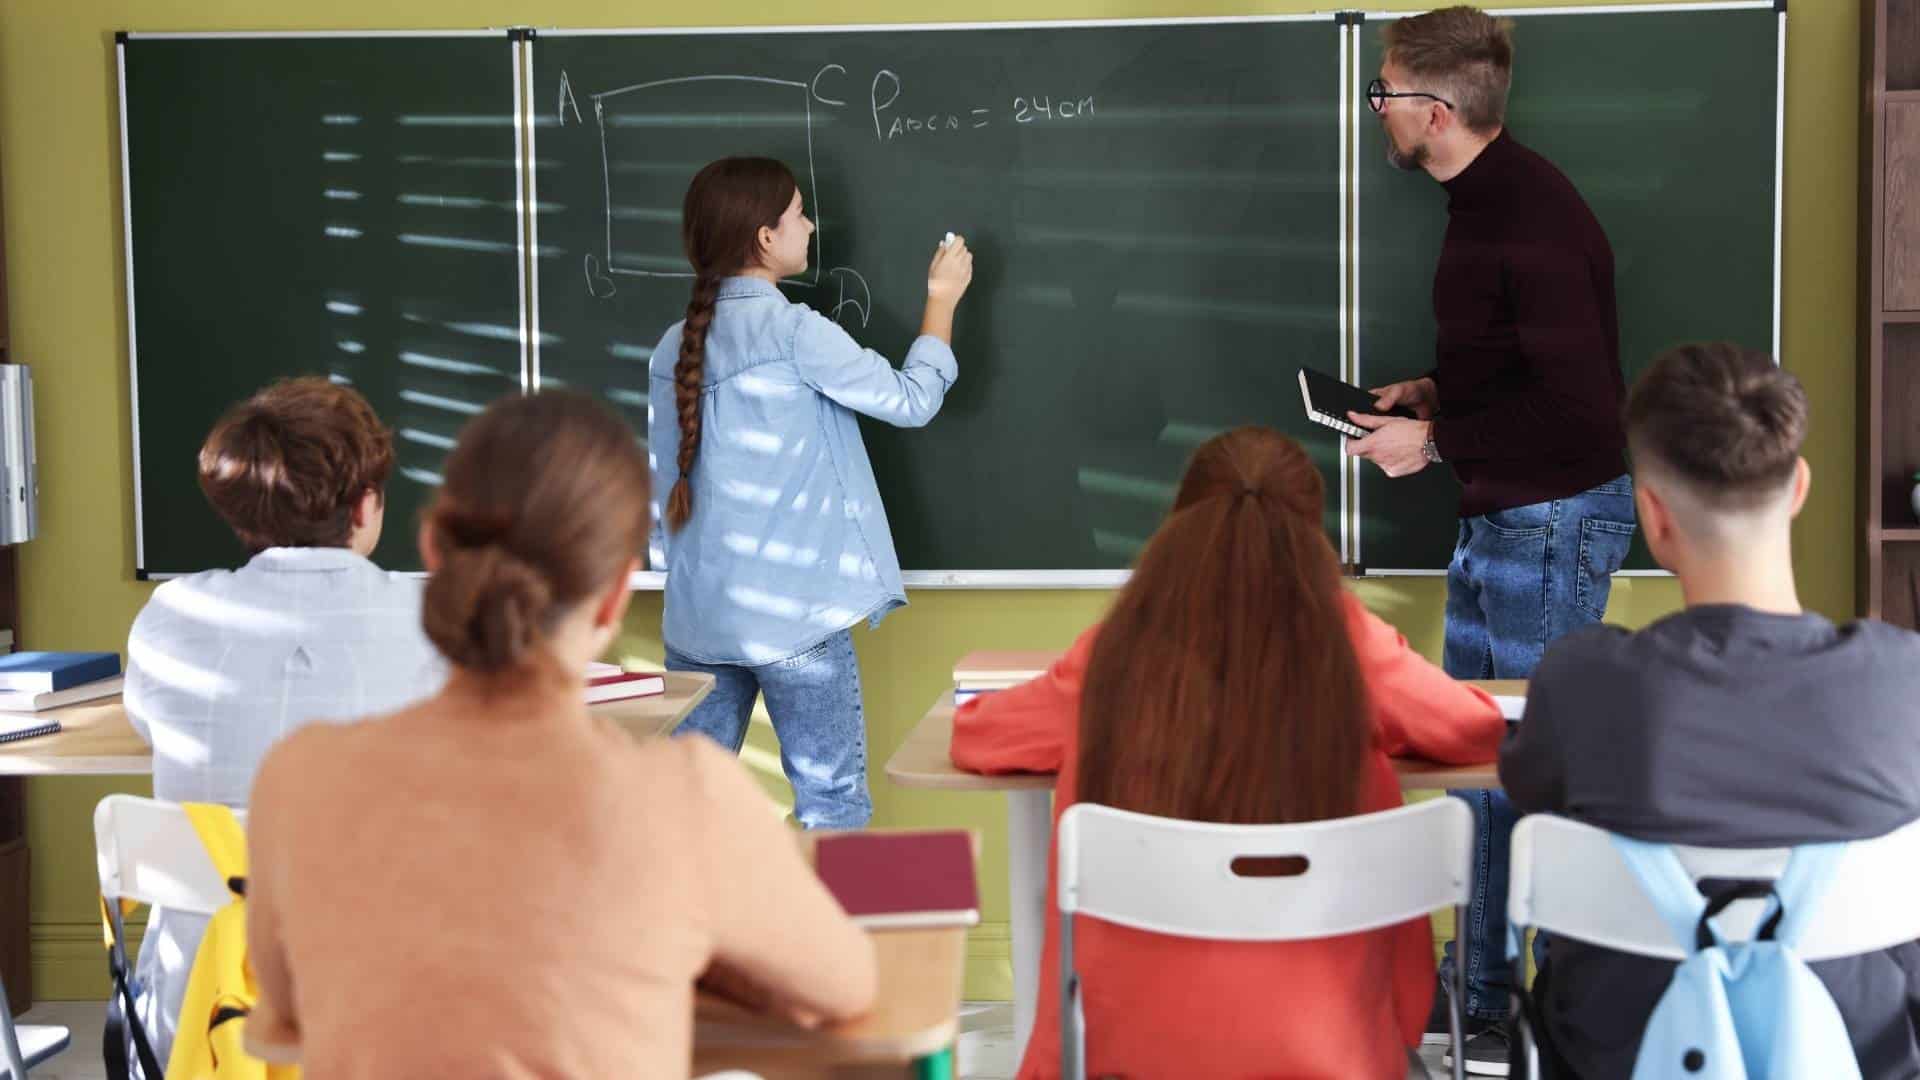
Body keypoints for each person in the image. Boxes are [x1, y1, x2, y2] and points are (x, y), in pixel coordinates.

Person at [245, 390, 876, 1077]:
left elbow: (283, 995)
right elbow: (846, 984)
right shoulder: (683, 798)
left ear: (433, 549)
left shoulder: (298, 778)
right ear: (616, 594)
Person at [951, 427, 1505, 1079]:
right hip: (1336, 1049)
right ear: (1309, 530)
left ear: (1181, 521)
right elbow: (1473, 728)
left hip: (1133, 1051)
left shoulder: (1116, 651)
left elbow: (978, 736)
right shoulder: (1352, 642)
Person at [1342, 10, 1635, 1066]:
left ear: (1438, 109)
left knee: (1529, 775)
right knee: (1481, 768)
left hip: (1547, 521)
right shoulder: (1481, 205)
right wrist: (1433, 394)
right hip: (1511, 514)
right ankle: (1479, 1001)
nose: (1376, 109)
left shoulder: (1527, 215)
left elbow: (1584, 413)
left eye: (1384, 93)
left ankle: (1539, 1013)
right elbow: (1524, 362)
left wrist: (1434, 442)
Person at [1501, 344, 1920, 1078]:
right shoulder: (1903, 682)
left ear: (1652, 516)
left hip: (1620, 1058)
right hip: (1862, 1053)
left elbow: (1533, 793)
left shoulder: (1580, 682)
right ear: (1799, 489)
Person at [122, 376, 443, 1066]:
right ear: (365, 506)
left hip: (199, 1024)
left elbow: (152, 728)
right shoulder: (432, 623)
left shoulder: (172, 619)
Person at [650, 156, 974, 828]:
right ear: (766, 238)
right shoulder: (797, 333)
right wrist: (941, 299)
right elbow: (911, 401)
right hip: (795, 621)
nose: (811, 224)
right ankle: (824, 938)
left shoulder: (670, 349)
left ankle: (686, 936)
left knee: (682, 817)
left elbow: (664, 490)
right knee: (831, 808)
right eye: (799, 212)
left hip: (698, 620)